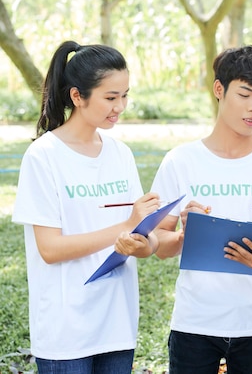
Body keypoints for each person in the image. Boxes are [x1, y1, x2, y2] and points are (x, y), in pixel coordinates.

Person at [12, 40, 161, 373]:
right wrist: (122, 229)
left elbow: (145, 240)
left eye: (125, 95)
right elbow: (49, 249)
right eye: (110, 97)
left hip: (118, 325)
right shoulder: (43, 156)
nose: (120, 106)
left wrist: (140, 242)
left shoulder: (120, 154)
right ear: (77, 96)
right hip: (66, 332)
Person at [150, 45, 252, 374]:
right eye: (245, 95)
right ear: (219, 89)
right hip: (194, 322)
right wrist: (185, 234)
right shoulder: (180, 161)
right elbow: (159, 243)